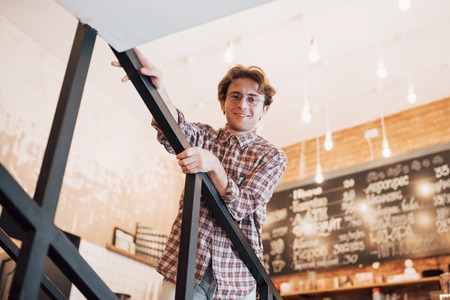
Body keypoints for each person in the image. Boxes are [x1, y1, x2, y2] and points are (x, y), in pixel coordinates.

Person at [112, 49, 287, 300]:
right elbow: (172, 131)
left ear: (264, 109)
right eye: (235, 96)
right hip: (185, 266)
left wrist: (214, 165)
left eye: (252, 99)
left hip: (237, 278)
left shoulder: (272, 156)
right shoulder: (205, 137)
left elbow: (242, 205)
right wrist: (158, 89)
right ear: (223, 103)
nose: (242, 104)